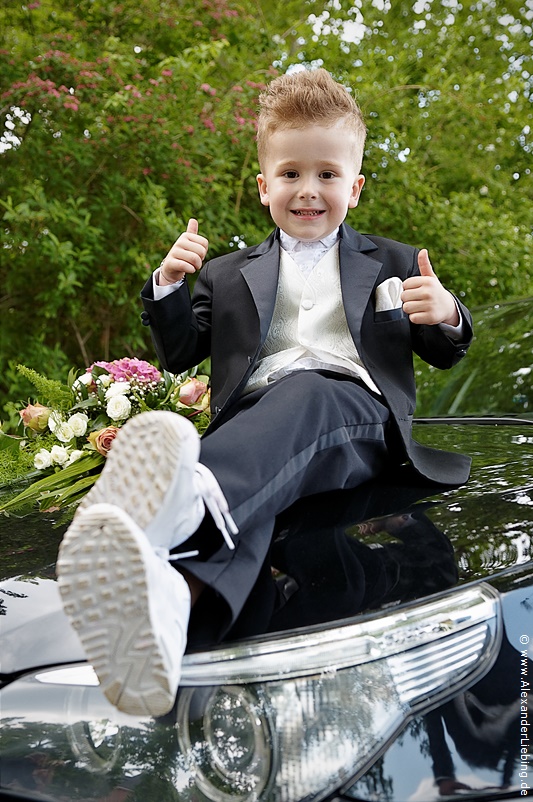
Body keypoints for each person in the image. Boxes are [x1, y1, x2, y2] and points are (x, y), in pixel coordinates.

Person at [56, 68, 473, 718]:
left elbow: (443, 350)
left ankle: (181, 499)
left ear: (354, 186)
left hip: (353, 419)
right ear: (263, 185)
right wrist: (167, 283)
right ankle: (169, 615)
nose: (308, 190)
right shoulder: (225, 274)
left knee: (308, 390)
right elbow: (180, 352)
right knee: (249, 518)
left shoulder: (393, 261)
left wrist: (444, 311)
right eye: (290, 174)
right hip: (255, 442)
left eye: (327, 175)